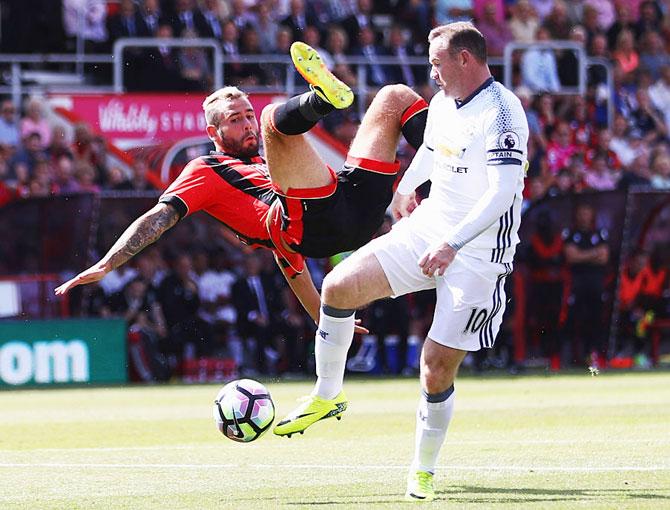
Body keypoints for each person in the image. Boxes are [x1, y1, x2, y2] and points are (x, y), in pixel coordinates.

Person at [273, 22, 529, 503]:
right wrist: (407, 187)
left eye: (437, 62)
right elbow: (431, 152)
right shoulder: (441, 104)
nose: (431, 72)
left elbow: (503, 192)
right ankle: (328, 394)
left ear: (465, 60)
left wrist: (452, 243)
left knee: (434, 366)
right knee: (338, 287)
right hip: (429, 230)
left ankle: (423, 469)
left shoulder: (502, 113)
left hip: (477, 251)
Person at [54, 42, 429, 338]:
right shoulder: (206, 169)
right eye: (235, 120)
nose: (247, 124)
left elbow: (289, 262)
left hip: (352, 207)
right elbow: (160, 216)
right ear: (213, 134)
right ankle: (322, 99)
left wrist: (323, 315)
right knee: (275, 119)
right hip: (312, 223)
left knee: (395, 96)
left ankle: (444, 179)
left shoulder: (267, 167)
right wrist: (107, 263)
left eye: (248, 115)